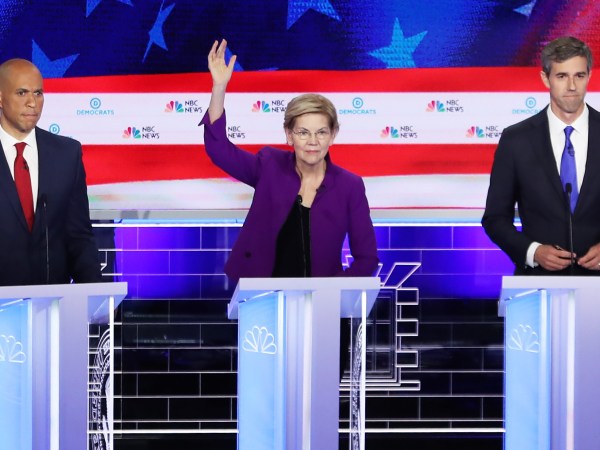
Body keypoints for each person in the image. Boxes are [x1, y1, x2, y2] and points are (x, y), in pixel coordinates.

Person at [201, 39, 379, 283]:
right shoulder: (269, 166)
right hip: (259, 293)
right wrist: (219, 87)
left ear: (333, 136)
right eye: (303, 132)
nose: (312, 141)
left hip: (320, 301)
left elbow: (367, 259)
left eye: (321, 132)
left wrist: (333, 291)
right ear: (289, 135)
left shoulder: (350, 186)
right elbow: (218, 149)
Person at [482, 36, 600, 275]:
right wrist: (533, 251)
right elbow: (495, 219)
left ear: (589, 76)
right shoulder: (517, 140)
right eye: (561, 76)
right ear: (545, 79)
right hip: (538, 284)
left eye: (579, 75)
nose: (572, 86)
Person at [0, 58, 102, 285]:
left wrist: (96, 297)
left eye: (38, 93)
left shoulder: (66, 154)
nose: (32, 103)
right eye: (21, 93)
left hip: (51, 305)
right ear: (1, 97)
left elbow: (79, 236)